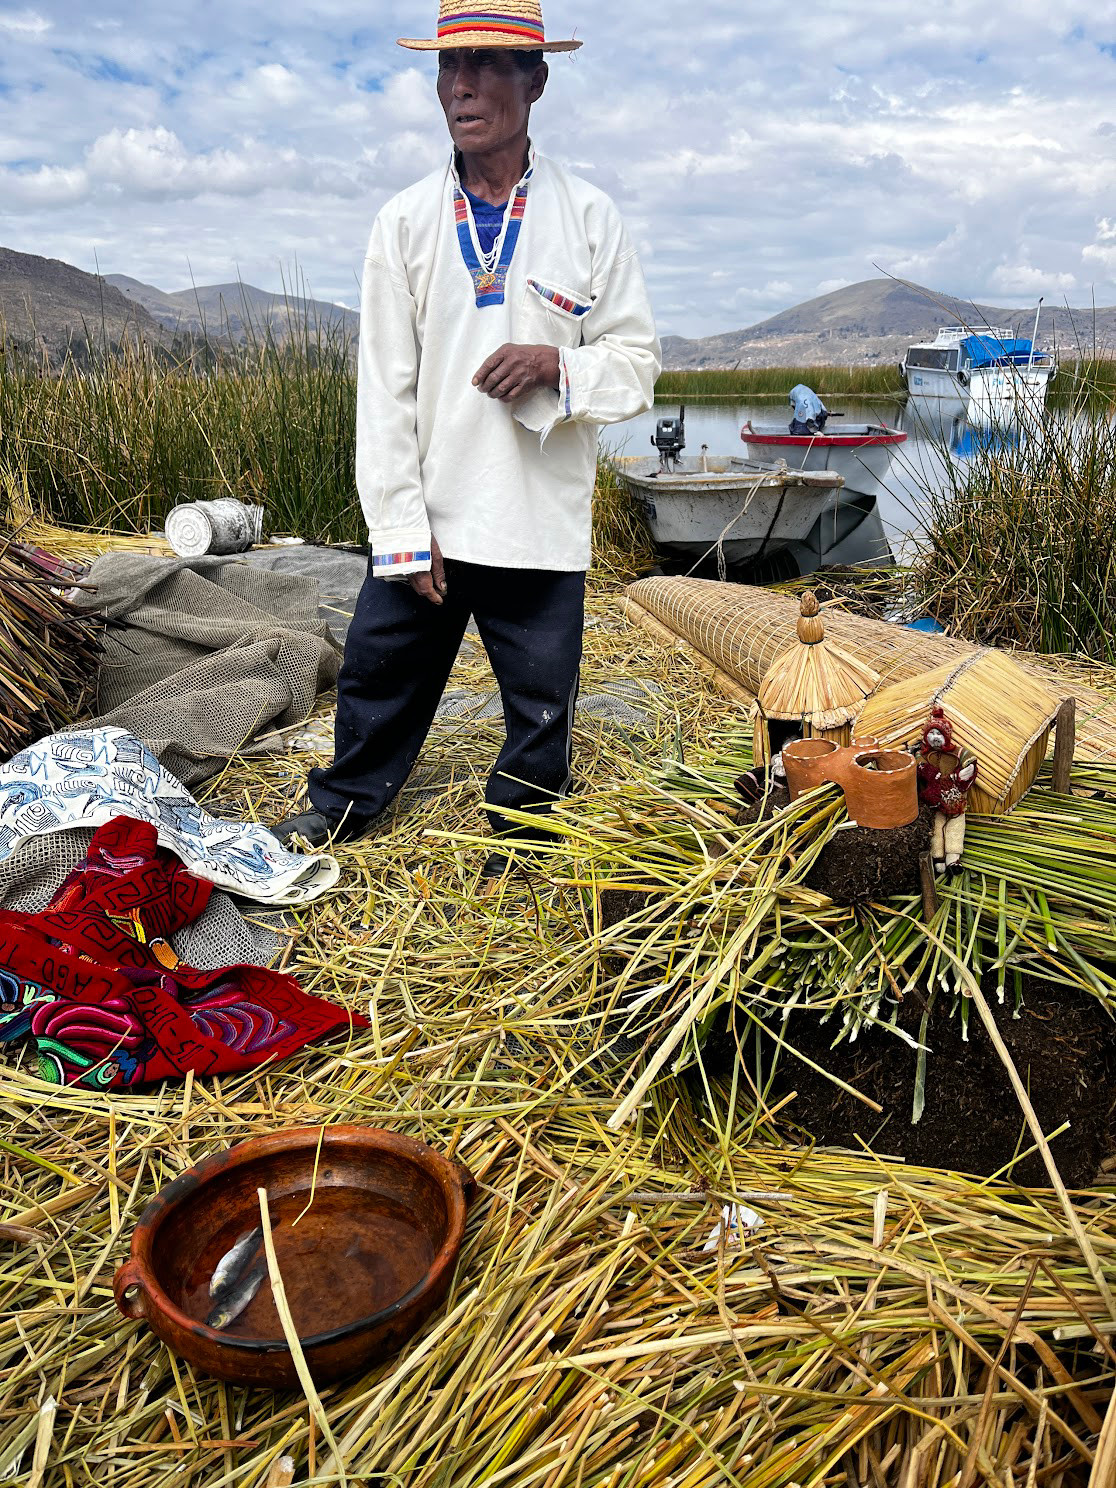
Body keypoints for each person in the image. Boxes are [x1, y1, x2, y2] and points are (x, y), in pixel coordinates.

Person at [275, 0, 660, 877]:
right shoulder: (404, 222)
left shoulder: (589, 216)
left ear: (537, 80)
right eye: (449, 66)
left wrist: (558, 367)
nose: (462, 84)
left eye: (487, 64)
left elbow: (637, 367)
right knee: (378, 674)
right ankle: (343, 805)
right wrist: (402, 534)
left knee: (539, 701)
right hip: (436, 512)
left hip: (537, 514)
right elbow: (386, 391)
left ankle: (523, 829)